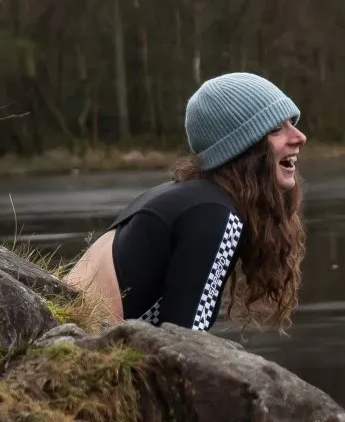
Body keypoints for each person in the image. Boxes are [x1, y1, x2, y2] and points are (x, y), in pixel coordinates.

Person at [67, 72, 307, 333]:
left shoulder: (182, 197)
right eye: (275, 129)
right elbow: (185, 342)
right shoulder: (214, 215)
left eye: (292, 123)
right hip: (87, 354)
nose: (299, 137)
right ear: (242, 147)